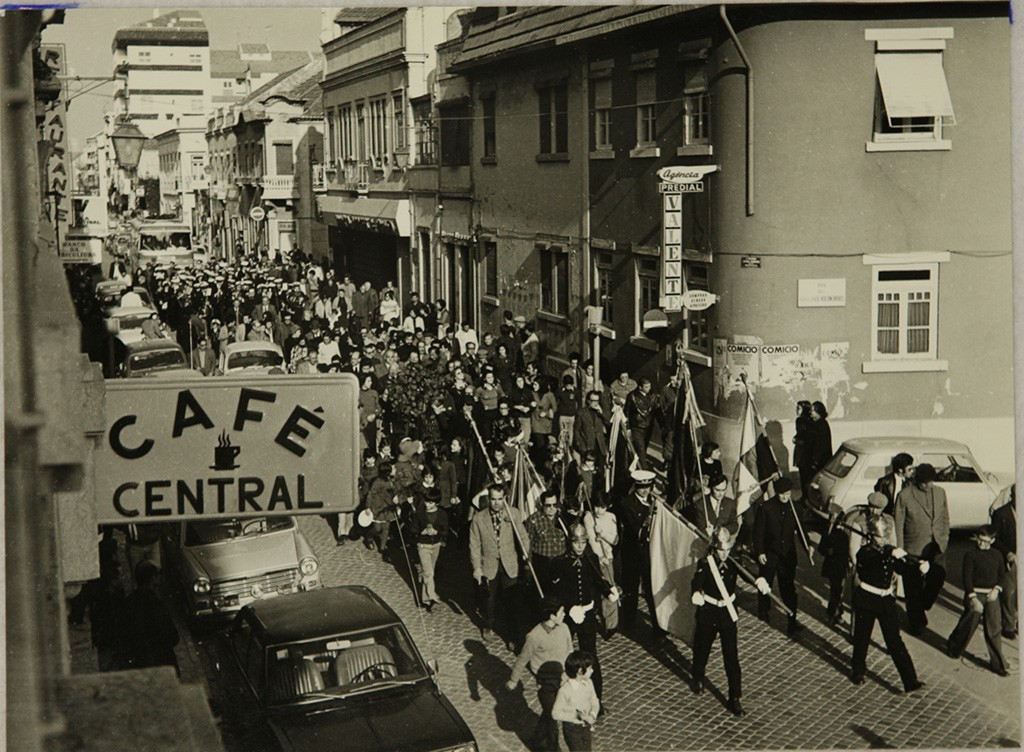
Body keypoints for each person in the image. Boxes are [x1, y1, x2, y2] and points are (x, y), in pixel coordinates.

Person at [690, 528, 766, 717]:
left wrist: (758, 580)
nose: (725, 554)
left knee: (731, 657)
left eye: (727, 550)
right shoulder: (705, 563)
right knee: (702, 649)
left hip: (727, 614)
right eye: (721, 550)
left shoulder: (734, 562)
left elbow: (747, 573)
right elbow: (697, 580)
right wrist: (697, 592)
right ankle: (698, 676)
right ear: (714, 548)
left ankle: (735, 697)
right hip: (709, 611)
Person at [849, 516, 925, 693]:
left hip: (885, 601)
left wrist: (918, 568)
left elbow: (901, 568)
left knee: (894, 641)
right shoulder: (865, 552)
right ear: (871, 536)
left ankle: (910, 680)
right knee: (862, 638)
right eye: (879, 537)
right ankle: (857, 671)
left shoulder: (888, 551)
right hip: (867, 599)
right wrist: (888, 554)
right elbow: (870, 562)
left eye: (885, 537)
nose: (883, 540)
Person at [549, 524, 616, 701]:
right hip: (569, 616)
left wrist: (609, 591)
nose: (580, 546)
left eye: (583, 542)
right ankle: (564, 694)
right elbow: (556, 591)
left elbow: (598, 580)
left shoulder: (591, 558)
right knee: (563, 653)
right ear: (570, 542)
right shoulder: (560, 562)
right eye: (576, 542)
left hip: (586, 615)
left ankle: (596, 699)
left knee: (590, 656)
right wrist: (568, 607)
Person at [506, 596, 573, 752]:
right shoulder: (534, 636)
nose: (564, 615)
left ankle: (537, 739)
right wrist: (513, 680)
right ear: (552, 616)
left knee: (549, 712)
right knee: (553, 717)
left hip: (563, 679)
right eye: (561, 612)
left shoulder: (564, 628)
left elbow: (570, 650)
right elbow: (523, 659)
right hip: (546, 681)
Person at [469, 483, 531, 644]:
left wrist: (525, 551)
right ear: (488, 499)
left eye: (499, 499)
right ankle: (488, 626)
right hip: (488, 565)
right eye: (493, 499)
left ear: (505, 498)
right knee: (488, 602)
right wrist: (477, 567)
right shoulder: (478, 518)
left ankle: (512, 636)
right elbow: (474, 544)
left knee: (512, 602)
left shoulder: (513, 514)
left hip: (509, 565)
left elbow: (523, 536)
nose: (496, 503)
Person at [894, 462, 949, 635]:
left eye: (931, 481)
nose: (928, 485)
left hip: (935, 546)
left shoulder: (940, 493)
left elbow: (945, 518)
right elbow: (898, 524)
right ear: (917, 480)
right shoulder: (904, 495)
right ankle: (916, 623)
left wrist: (944, 538)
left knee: (938, 576)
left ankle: (923, 604)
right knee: (912, 589)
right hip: (912, 548)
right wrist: (900, 549)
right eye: (925, 482)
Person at [946, 525, 1009, 676]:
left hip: (991, 594)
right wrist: (973, 598)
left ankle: (997, 664)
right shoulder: (971, 555)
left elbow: (1002, 575)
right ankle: (954, 646)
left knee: (994, 627)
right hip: (975, 594)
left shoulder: (997, 555)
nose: (982, 544)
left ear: (992, 541)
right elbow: (967, 579)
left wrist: (996, 590)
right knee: (971, 620)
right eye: (980, 540)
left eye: (986, 542)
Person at [617, 469, 667, 642]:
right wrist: (649, 517)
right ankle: (629, 623)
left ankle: (658, 626)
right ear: (635, 486)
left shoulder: (655, 502)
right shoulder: (627, 503)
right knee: (631, 588)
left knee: (652, 588)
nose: (645, 491)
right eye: (641, 487)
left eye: (648, 487)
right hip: (632, 553)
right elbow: (633, 528)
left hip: (650, 553)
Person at [753, 477, 804, 635]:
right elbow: (758, 534)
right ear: (776, 493)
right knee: (765, 584)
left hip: (787, 556)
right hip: (769, 553)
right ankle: (764, 611)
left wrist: (807, 546)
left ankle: (791, 618)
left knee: (788, 588)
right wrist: (760, 552)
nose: (785, 497)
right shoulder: (766, 508)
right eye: (782, 494)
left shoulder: (795, 508)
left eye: (788, 494)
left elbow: (802, 531)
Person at [122, 561, 179, 673]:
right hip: (161, 663)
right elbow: (173, 637)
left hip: (139, 664)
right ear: (152, 579)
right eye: (158, 574)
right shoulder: (157, 604)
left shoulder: (128, 602)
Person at [582, 493, 619, 638]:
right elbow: (591, 540)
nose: (598, 511)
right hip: (595, 558)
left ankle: (611, 625)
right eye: (597, 507)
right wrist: (600, 556)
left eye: (602, 507)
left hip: (608, 557)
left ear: (607, 507)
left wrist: (602, 533)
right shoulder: (588, 517)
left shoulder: (611, 517)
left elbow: (615, 540)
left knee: (609, 589)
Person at [551, 651, 601, 752]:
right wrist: (574, 716)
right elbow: (555, 713)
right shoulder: (565, 690)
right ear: (580, 671)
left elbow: (594, 701)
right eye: (590, 668)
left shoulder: (589, 683)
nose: (592, 671)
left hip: (585, 726)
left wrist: (592, 715)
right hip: (572, 729)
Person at [410, 487, 449, 612]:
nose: (427, 504)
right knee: (428, 573)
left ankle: (425, 600)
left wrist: (436, 532)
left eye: (430, 502)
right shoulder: (420, 514)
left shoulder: (442, 514)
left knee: (429, 573)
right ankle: (432, 594)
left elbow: (445, 531)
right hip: (423, 546)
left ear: (436, 503)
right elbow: (413, 530)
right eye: (426, 501)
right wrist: (423, 532)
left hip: (436, 546)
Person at [526, 489, 568, 591]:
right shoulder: (533, 520)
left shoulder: (563, 517)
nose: (552, 508)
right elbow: (528, 543)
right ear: (542, 505)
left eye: (555, 505)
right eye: (548, 505)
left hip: (561, 562)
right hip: (542, 564)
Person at [990, 485, 1017, 639]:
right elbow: (995, 539)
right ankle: (1009, 625)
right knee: (1009, 593)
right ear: (1012, 496)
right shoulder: (1001, 514)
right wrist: (1008, 553)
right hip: (1010, 559)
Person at [623, 377, 658, 469]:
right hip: (637, 426)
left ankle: (636, 466)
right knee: (641, 449)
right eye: (646, 387)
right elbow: (627, 412)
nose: (648, 388)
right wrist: (627, 428)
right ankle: (644, 469)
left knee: (643, 448)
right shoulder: (632, 396)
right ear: (640, 387)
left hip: (648, 426)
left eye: (649, 386)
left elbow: (656, 411)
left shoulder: (652, 396)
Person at [693, 473, 739, 537]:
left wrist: (721, 531)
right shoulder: (700, 505)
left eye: (723, 490)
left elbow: (734, 525)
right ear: (711, 488)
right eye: (717, 490)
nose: (721, 494)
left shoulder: (730, 504)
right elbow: (698, 528)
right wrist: (705, 531)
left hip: (723, 542)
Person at [573, 391, 608, 467]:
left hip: (600, 446)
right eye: (593, 401)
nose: (596, 403)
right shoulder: (581, 413)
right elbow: (576, 430)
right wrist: (581, 446)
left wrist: (601, 413)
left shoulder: (599, 412)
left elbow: (608, 423)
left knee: (600, 470)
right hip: (587, 446)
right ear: (588, 401)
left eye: (597, 401)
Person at [874, 452, 915, 517]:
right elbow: (879, 503)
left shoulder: (912, 482)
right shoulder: (884, 482)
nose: (912, 471)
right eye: (910, 469)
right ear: (900, 470)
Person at [792, 400, 815, 498]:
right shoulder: (812, 421)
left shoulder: (800, 420)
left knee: (804, 476)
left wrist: (796, 440)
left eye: (798, 408)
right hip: (809, 453)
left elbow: (802, 437)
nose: (796, 410)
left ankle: (805, 497)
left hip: (803, 453)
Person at [809, 401, 833, 477]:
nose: (810, 412)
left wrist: (815, 460)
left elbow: (819, 444)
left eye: (812, 410)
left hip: (820, 460)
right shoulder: (822, 423)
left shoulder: (819, 425)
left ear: (818, 411)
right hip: (822, 459)